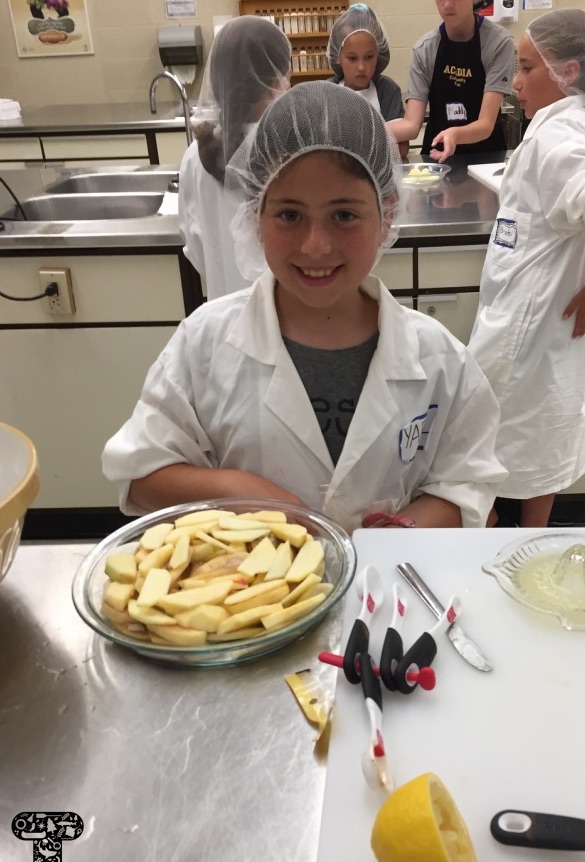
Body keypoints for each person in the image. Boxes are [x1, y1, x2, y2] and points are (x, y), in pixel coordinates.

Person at [103, 81, 506, 533]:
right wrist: (244, 493)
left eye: (344, 215)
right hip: (250, 580)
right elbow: (139, 476)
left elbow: (468, 485)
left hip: (393, 577)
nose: (315, 247)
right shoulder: (204, 344)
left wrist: (391, 538)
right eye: (290, 215)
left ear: (387, 212)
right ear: (255, 211)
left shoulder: (440, 360)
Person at [468, 8, 585, 528]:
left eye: (528, 68)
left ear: (568, 72)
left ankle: (489, 533)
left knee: (482, 442)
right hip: (535, 318)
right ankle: (524, 538)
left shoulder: (560, 138)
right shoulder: (560, 126)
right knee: (538, 438)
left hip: (526, 326)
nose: (515, 82)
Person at [178, 16, 292, 300]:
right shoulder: (291, 149)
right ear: (272, 85)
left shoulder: (194, 157)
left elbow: (194, 247)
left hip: (224, 309)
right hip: (287, 311)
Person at [387, 0, 514, 162]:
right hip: (437, 158)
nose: (447, 5)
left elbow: (485, 124)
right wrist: (364, 131)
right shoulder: (424, 49)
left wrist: (454, 135)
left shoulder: (498, 43)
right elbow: (411, 125)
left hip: (486, 159)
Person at [326, 3, 409, 158]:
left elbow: (402, 148)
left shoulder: (387, 90)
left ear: (378, 55)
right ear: (338, 57)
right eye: (352, 58)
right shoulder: (327, 91)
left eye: (369, 57)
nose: (361, 67)